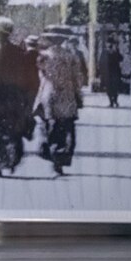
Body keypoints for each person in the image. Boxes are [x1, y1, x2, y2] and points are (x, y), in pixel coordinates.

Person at [0, 17, 38, 176]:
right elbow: (25, 76)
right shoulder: (19, 52)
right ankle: (11, 159)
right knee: (13, 129)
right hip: (15, 96)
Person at [33, 35, 83, 175]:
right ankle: (60, 159)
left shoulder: (43, 57)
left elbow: (42, 78)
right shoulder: (71, 57)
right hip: (67, 97)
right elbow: (77, 79)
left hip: (50, 95)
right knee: (67, 128)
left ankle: (52, 153)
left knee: (52, 127)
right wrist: (78, 97)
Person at [100, 38, 124, 108]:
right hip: (107, 73)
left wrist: (115, 50)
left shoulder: (115, 51)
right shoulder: (104, 52)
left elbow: (121, 58)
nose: (109, 45)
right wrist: (101, 72)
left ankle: (115, 101)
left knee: (115, 88)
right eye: (108, 43)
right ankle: (111, 102)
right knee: (108, 88)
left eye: (110, 43)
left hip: (115, 73)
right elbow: (101, 62)